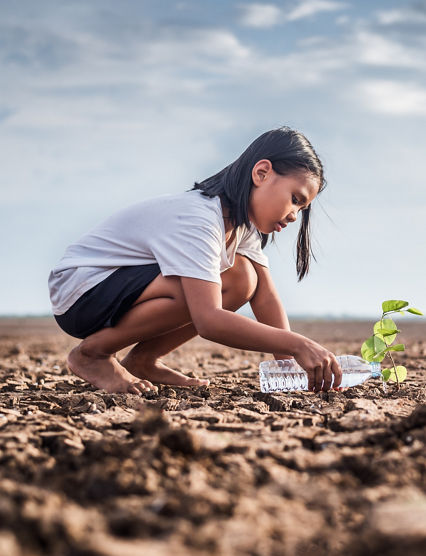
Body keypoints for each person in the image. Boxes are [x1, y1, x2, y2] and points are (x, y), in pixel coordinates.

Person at [48, 126, 342, 396]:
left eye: (301, 209)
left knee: (242, 278)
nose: (294, 215)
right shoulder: (200, 219)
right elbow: (209, 320)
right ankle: (93, 354)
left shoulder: (240, 226)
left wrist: (289, 368)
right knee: (197, 286)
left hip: (115, 288)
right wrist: (299, 344)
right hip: (82, 290)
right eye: (295, 199)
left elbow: (265, 297)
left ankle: (143, 360)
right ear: (261, 173)